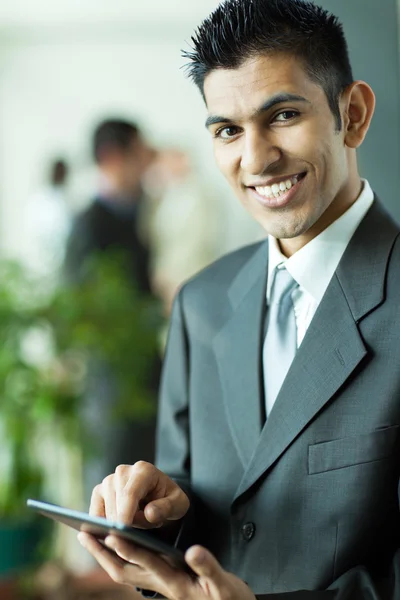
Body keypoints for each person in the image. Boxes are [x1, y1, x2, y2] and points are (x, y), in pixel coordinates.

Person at [77, 1, 400, 598]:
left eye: (281, 115)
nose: (254, 159)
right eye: (227, 130)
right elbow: (206, 503)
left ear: (351, 115)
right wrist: (160, 516)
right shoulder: (201, 305)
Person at [64, 118, 160, 500]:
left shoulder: (138, 213)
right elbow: (78, 309)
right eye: (140, 154)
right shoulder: (89, 225)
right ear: (113, 157)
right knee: (113, 479)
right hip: (112, 380)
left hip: (144, 366)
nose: (147, 164)